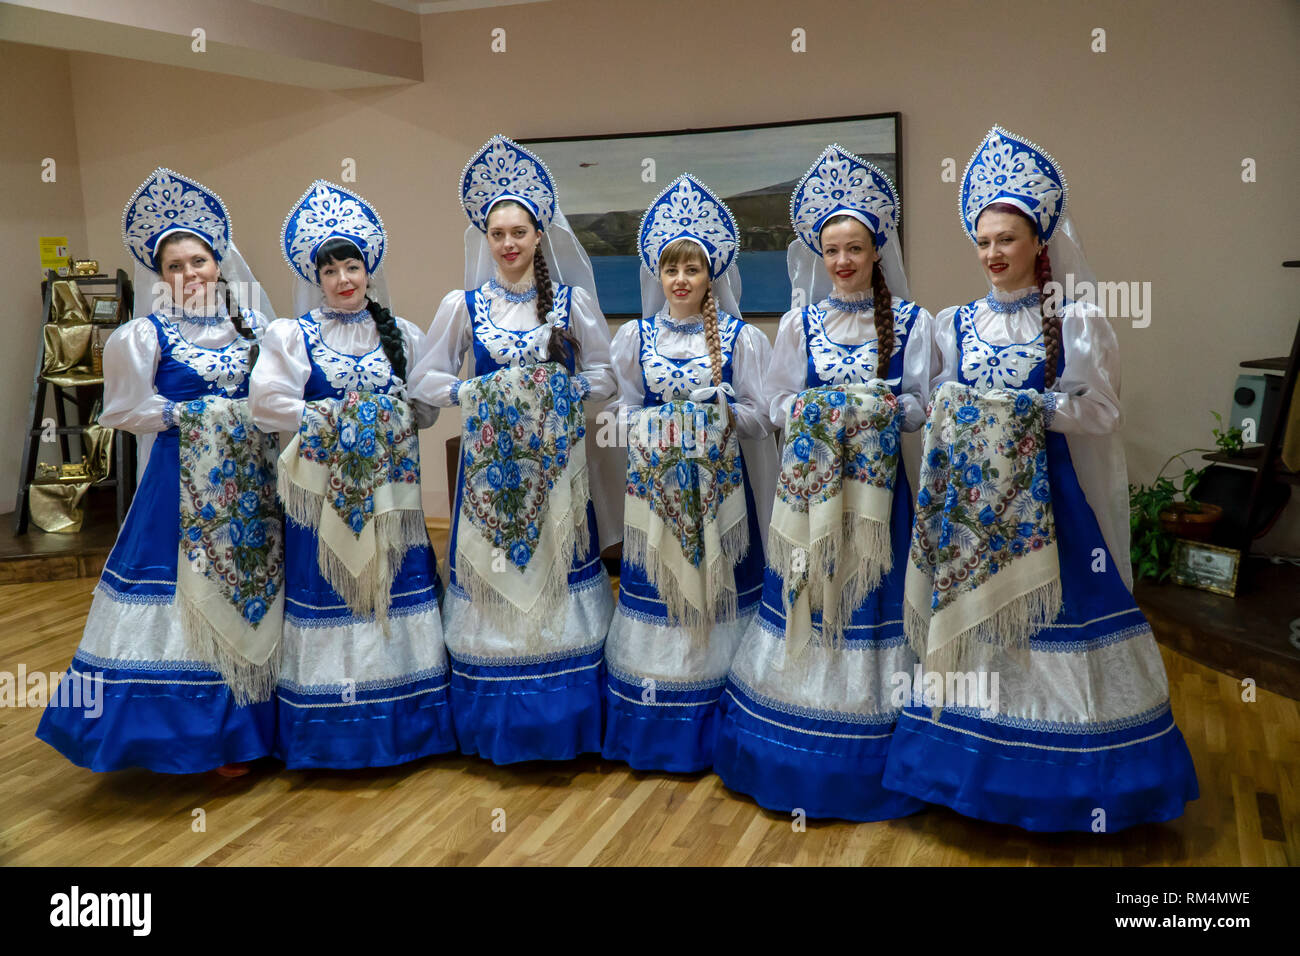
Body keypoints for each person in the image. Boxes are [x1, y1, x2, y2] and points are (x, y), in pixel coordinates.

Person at [882, 126, 1199, 831]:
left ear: (1039, 245)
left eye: (1008, 240)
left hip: (1052, 510)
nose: (994, 254)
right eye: (985, 241)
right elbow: (934, 406)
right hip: (970, 519)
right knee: (976, 638)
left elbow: (1100, 412)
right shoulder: (952, 324)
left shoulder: (1076, 319)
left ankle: (1070, 785)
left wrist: (1022, 407)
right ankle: (967, 776)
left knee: (1063, 632)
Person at [712, 145, 937, 819]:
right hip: (808, 500)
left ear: (876, 252)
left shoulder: (914, 322)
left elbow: (923, 405)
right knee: (807, 596)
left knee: (874, 604)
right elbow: (776, 404)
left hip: (878, 503)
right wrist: (816, 410)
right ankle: (792, 749)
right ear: (818, 252)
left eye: (856, 249)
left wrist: (881, 407)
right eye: (832, 250)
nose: (843, 262)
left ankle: (879, 754)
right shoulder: (797, 324)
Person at [36, 167, 278, 774]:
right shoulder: (142, 335)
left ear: (218, 263)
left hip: (249, 486)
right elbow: (120, 409)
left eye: (198, 261)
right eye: (175, 266)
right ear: (160, 275)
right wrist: (190, 411)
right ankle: (190, 737)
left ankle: (250, 729)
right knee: (183, 598)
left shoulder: (255, 332)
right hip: (177, 487)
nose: (189, 275)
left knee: (245, 590)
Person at [409, 135, 616, 764]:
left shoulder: (571, 303)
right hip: (491, 483)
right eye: (497, 233)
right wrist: (481, 389)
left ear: (538, 235)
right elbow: (425, 382)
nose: (507, 244)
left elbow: (606, 379)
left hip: (557, 476)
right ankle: (494, 725)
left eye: (519, 232)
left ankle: (565, 725)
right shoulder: (460, 306)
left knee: (558, 581)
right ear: (485, 237)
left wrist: (557, 386)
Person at [250, 179, 456, 768]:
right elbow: (266, 404)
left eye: (353, 266)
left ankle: (410, 730)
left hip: (394, 503)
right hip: (323, 503)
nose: (343, 279)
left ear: (369, 270)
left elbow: (424, 408)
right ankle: (333, 739)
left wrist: (382, 414)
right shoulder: (291, 336)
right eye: (331, 269)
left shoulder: (404, 335)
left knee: (396, 590)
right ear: (316, 278)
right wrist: (337, 414)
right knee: (333, 597)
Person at [601, 173, 776, 773]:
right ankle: (655, 734)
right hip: (655, 501)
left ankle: (720, 732)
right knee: (661, 602)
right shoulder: (634, 338)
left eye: (693, 269)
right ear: (657, 275)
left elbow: (761, 418)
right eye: (670, 269)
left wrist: (718, 412)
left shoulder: (742, 339)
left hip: (721, 498)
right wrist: (658, 425)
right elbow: (620, 415)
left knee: (721, 598)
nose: (680, 280)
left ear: (711, 277)